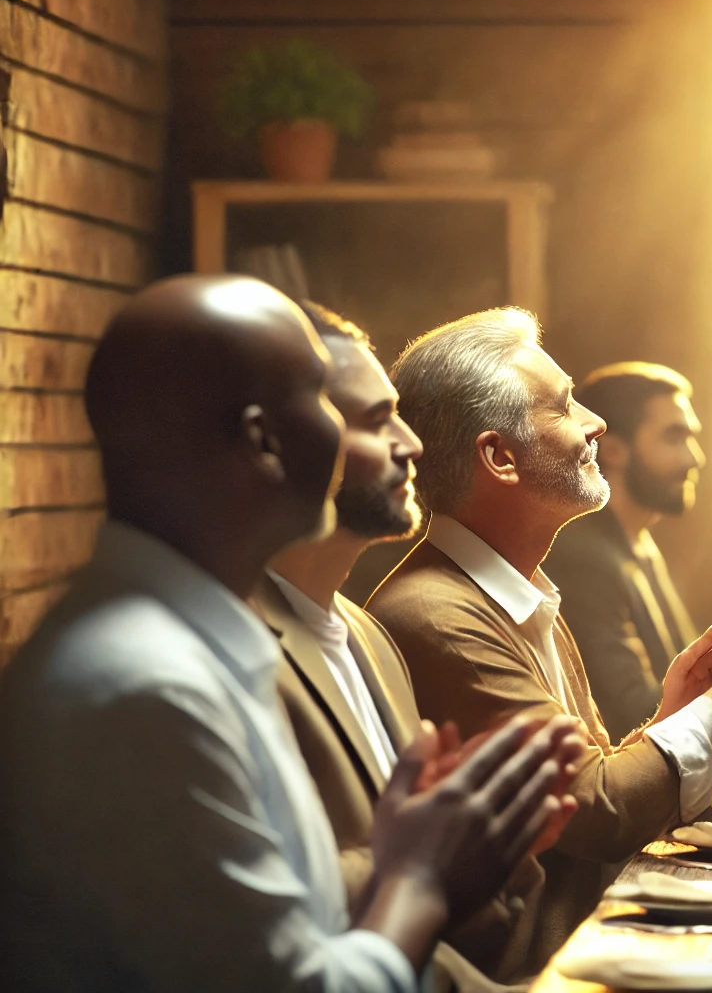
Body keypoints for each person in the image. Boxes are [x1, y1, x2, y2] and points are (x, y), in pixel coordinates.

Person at [0, 275, 584, 991]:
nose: (412, 445)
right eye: (321, 396)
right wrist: (421, 876)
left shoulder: (197, 644)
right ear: (262, 441)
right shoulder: (144, 688)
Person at [367, 307, 712, 931]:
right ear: (500, 458)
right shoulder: (441, 617)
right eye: (566, 405)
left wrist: (672, 717)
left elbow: (593, 788)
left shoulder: (511, 592)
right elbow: (602, 815)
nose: (595, 424)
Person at [251, 302, 565, 987]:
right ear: (273, 439)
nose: (412, 443)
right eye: (372, 420)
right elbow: (299, 901)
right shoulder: (241, 651)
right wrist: (443, 850)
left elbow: (462, 902)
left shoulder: (369, 632)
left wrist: (497, 843)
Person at [543, 362, 704, 732]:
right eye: (673, 437)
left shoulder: (639, 542)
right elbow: (632, 714)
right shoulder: (585, 560)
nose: (694, 458)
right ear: (613, 450)